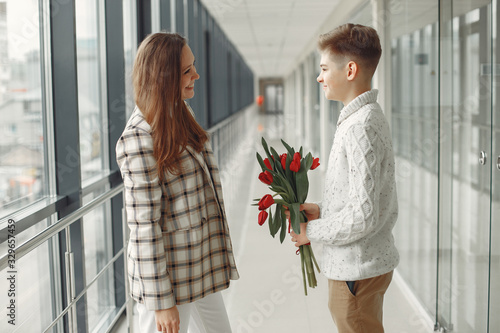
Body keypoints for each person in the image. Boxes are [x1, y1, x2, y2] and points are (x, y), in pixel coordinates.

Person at [116, 32, 239, 333]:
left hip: (197, 264)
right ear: (163, 76)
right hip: (169, 278)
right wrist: (161, 302)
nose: (196, 74)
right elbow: (144, 226)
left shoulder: (180, 113)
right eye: (186, 71)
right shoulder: (138, 138)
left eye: (193, 66)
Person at [290, 24, 399, 333]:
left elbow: (363, 216)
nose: (319, 77)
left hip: (356, 269)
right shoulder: (363, 118)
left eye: (324, 68)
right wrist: (322, 210)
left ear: (350, 70)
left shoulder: (360, 126)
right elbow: (363, 199)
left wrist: (311, 230)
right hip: (360, 266)